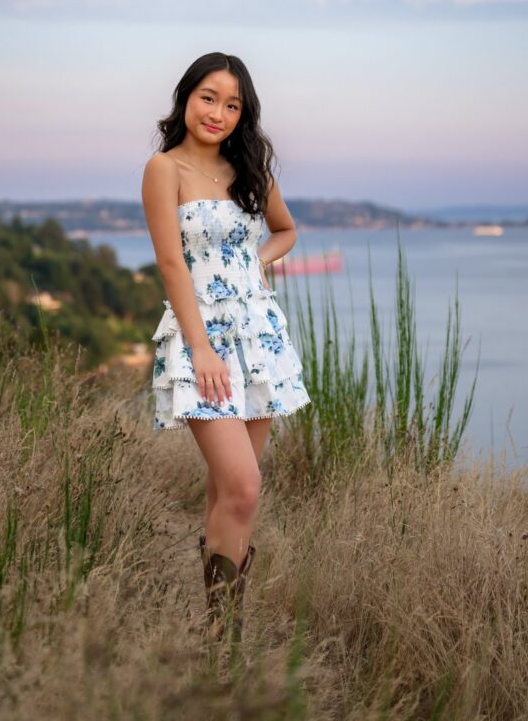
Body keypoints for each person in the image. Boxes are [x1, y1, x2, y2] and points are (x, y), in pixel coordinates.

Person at [141, 51, 311, 646]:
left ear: (244, 114)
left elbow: (286, 231)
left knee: (228, 491)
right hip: (201, 340)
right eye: (209, 97)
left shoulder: (250, 169)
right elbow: (171, 265)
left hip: (258, 335)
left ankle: (219, 646)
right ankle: (222, 638)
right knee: (243, 485)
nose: (218, 112)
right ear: (187, 96)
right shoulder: (165, 169)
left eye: (232, 104)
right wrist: (202, 348)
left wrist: (252, 265)